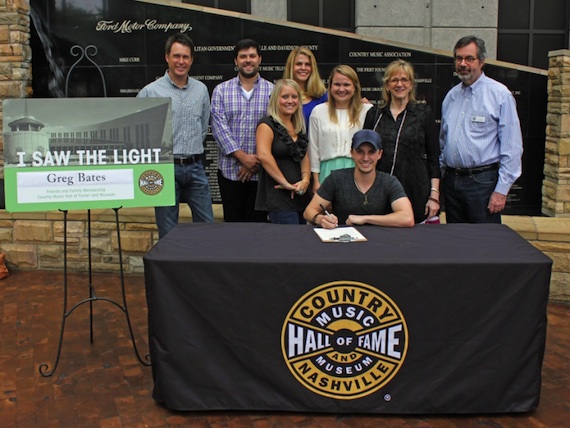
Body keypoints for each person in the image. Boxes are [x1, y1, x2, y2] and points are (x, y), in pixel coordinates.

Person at [439, 35, 523, 223]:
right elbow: (444, 142)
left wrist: (501, 191)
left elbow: (512, 147)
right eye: (459, 58)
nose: (463, 64)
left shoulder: (499, 95)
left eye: (469, 58)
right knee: (456, 240)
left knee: (484, 243)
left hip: (481, 183)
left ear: (482, 61)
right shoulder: (451, 97)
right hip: (452, 182)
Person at [137, 33, 213, 239]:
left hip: (196, 167)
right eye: (177, 56)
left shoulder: (201, 90)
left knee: (207, 225)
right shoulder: (150, 93)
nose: (181, 61)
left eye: (186, 57)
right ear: (167, 58)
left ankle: (203, 269)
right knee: (168, 230)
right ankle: (171, 271)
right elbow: (140, 132)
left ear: (192, 60)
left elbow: (203, 124)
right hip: (165, 168)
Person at [364, 59, 440, 224]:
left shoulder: (423, 114)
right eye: (394, 80)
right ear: (387, 85)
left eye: (404, 79)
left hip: (416, 190)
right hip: (380, 192)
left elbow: (434, 158)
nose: (400, 84)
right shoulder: (374, 115)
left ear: (411, 85)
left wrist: (434, 196)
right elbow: (364, 155)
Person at [211, 39, 274, 222]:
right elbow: (218, 127)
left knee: (258, 230)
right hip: (230, 173)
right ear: (236, 61)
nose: (248, 60)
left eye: (252, 56)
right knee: (232, 229)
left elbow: (276, 129)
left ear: (259, 59)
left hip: (261, 175)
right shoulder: (221, 91)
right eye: (243, 56)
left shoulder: (273, 91)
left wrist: (255, 161)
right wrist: (242, 157)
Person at [303, 129, 414, 228]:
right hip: (342, 242)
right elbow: (309, 211)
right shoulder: (336, 178)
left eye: (371, 152)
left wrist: (365, 218)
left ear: (380, 154)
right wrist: (321, 219)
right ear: (352, 153)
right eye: (360, 152)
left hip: (378, 242)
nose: (365, 158)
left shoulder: (388, 182)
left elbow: (407, 218)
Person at [309, 65, 373, 194]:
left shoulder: (367, 111)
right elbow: (313, 149)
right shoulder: (318, 111)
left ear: (355, 87)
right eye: (337, 84)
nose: (341, 89)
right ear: (330, 87)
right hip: (327, 171)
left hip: (359, 169)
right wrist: (316, 181)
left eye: (347, 85)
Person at [255, 79, 311, 224]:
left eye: (294, 97)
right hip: (279, 195)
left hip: (301, 195)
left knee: (302, 240)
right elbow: (263, 156)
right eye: (285, 97)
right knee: (288, 242)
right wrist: (285, 183)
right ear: (276, 99)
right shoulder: (266, 124)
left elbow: (303, 155)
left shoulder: (299, 125)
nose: (290, 101)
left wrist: (306, 180)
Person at [283, 46, 328, 127]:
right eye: (299, 64)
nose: (303, 68)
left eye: (307, 64)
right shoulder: (279, 95)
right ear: (291, 67)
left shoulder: (323, 97)